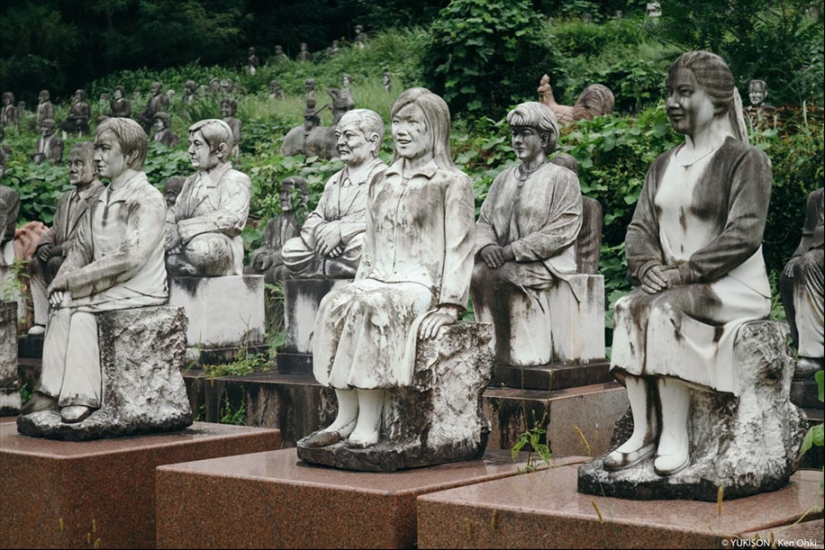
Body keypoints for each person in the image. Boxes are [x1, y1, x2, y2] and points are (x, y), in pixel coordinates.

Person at [605, 51, 771, 476]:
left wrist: (684, 273)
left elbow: (745, 233)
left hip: (731, 286)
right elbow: (639, 229)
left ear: (716, 99)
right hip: (673, 282)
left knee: (662, 311)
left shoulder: (744, 160)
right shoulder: (662, 164)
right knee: (627, 307)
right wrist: (646, 268)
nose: (672, 103)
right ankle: (643, 433)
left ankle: (674, 437)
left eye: (684, 92)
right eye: (669, 94)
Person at [305, 88, 475, 449]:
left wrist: (449, 306)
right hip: (377, 277)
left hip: (418, 283)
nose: (402, 130)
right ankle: (344, 414)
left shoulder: (451, 182)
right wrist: (358, 284)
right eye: (397, 122)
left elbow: (459, 248)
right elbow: (369, 244)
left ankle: (369, 420)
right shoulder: (381, 180)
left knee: (373, 308)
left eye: (413, 123)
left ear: (434, 130)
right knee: (334, 305)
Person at [20, 117, 167, 424]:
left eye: (105, 148)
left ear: (130, 155)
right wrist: (62, 281)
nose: (97, 156)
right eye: (97, 148)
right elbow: (82, 249)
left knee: (81, 312)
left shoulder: (147, 198)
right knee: (60, 307)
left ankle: (80, 395)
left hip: (139, 287)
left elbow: (130, 258)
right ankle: (50, 390)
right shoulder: (100, 198)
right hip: (105, 285)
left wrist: (76, 282)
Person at [471, 102, 583, 366]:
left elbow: (563, 229)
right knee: (477, 274)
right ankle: (491, 356)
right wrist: (486, 246)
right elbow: (484, 221)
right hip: (501, 260)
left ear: (544, 138)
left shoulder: (562, 178)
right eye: (514, 134)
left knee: (506, 275)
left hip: (545, 264)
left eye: (525, 133)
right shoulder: (502, 179)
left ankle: (525, 357)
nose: (517, 140)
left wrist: (513, 250)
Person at [282, 109, 386, 278]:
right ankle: (331, 265)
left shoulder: (385, 178)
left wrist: (341, 232)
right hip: (329, 248)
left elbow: (384, 219)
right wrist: (322, 233)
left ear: (373, 141)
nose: (340, 143)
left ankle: (327, 266)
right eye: (338, 136)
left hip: (356, 246)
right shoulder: (334, 181)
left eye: (349, 136)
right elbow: (315, 217)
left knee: (363, 245)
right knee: (291, 250)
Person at [27, 143, 105, 336]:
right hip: (61, 254)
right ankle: (42, 321)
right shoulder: (65, 198)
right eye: (70, 163)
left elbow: (92, 236)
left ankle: (63, 316)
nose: (72, 169)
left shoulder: (101, 197)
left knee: (55, 262)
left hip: (86, 258)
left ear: (95, 167)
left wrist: (61, 249)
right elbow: (55, 228)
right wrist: (45, 244)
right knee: (35, 264)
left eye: (79, 163)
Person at [165, 119, 251, 277]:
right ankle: (178, 263)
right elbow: (174, 213)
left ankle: (179, 262)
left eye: (197, 144)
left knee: (205, 248)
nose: (190, 150)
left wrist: (183, 230)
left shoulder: (235, 179)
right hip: (184, 244)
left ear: (219, 150)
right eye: (190, 144)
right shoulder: (190, 182)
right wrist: (169, 231)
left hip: (216, 248)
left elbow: (233, 218)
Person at [780, 187, 824, 379]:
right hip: (819, 256)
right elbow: (807, 238)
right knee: (791, 274)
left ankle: (814, 356)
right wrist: (796, 257)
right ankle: (811, 355)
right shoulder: (817, 197)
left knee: (810, 262)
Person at [244, 176, 308, 284]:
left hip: (288, 264)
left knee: (285, 272)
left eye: (288, 193)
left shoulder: (305, 222)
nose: (283, 197)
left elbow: (302, 251)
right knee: (247, 271)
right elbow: (266, 245)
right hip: (270, 264)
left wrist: (271, 259)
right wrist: (258, 256)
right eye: (282, 193)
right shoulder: (272, 223)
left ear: (303, 197)